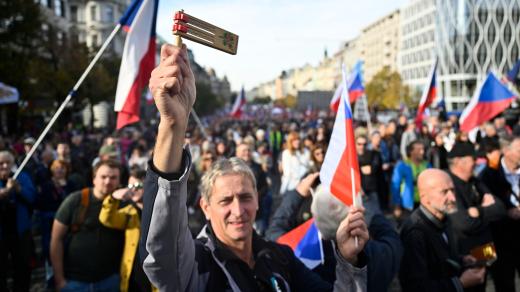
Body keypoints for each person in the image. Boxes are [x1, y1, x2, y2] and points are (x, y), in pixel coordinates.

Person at [140, 43, 368, 291]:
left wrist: (348, 260)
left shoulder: (281, 258)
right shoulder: (195, 265)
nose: (238, 210)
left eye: (245, 197)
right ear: (205, 207)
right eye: (225, 201)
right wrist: (173, 124)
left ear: (258, 200)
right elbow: (162, 247)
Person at [266, 173, 402, 292]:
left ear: (315, 217)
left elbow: (274, 233)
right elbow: (392, 237)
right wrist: (364, 199)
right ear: (358, 212)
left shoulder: (299, 256)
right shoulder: (379, 254)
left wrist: (297, 194)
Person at [399, 169, 486, 291]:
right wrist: (460, 283)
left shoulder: (443, 217)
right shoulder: (415, 232)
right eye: (444, 192)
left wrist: (462, 260)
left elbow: (441, 259)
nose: (452, 197)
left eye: (453, 190)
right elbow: (416, 287)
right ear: (424, 197)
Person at [50, 160, 124, 291]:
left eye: (113, 178)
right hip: (75, 282)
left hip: (110, 280)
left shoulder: (123, 204)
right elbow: (56, 239)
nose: (108, 181)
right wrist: (60, 280)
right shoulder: (76, 200)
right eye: (103, 177)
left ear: (119, 181)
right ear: (94, 179)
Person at [99, 168, 155, 292]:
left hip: (155, 279)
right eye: (130, 185)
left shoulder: (160, 212)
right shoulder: (129, 212)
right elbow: (106, 218)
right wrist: (113, 198)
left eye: (137, 185)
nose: (133, 189)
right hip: (132, 279)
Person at [479, 136, 520, 292]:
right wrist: (506, 212)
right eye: (519, 150)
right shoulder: (488, 175)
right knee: (504, 283)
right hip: (501, 240)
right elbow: (487, 208)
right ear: (506, 151)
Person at [0, 151, 36, 292]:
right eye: (1, 163)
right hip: (1, 235)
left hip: (20, 232)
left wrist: (18, 188)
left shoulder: (22, 177)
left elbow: (32, 198)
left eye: (7, 163)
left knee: (22, 268)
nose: (4, 166)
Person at [391, 140, 431, 219]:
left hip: (425, 204)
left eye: (423, 149)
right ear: (411, 152)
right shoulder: (402, 166)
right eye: (419, 150)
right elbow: (395, 186)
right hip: (407, 205)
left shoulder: (427, 165)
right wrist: (397, 206)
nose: (422, 152)